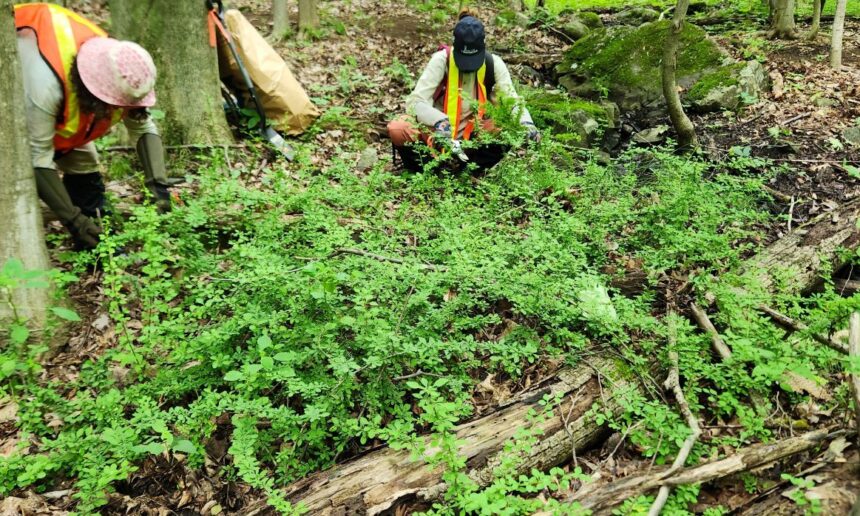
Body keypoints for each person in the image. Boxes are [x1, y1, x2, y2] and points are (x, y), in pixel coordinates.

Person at [14, 3, 172, 250]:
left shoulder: (119, 65)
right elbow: (37, 157)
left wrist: (158, 186)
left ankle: (97, 230)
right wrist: (74, 222)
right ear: (96, 93)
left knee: (84, 159)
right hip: (16, 95)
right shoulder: (45, 84)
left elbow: (142, 126)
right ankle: (85, 232)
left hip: (57, 87)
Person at [388, 10, 540, 172]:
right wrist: (439, 122)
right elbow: (415, 103)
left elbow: (512, 101)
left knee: (509, 126)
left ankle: (470, 170)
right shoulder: (441, 60)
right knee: (399, 127)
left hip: (475, 136)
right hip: (435, 135)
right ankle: (427, 170)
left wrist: (527, 123)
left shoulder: (494, 64)